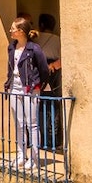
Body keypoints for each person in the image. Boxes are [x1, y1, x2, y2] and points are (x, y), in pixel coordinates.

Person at [5, 16, 50, 171]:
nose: (10, 30)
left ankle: (34, 158)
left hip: (30, 89)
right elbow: (10, 68)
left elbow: (44, 70)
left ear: (21, 31)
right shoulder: (11, 47)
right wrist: (8, 83)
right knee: (19, 123)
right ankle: (20, 155)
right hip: (14, 87)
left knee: (32, 123)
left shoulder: (34, 49)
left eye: (13, 28)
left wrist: (39, 85)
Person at [37, 13, 64, 150]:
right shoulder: (59, 40)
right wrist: (53, 66)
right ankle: (54, 140)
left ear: (41, 24)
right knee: (54, 106)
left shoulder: (37, 39)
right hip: (54, 73)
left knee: (40, 106)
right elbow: (62, 58)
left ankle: (43, 141)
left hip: (40, 73)